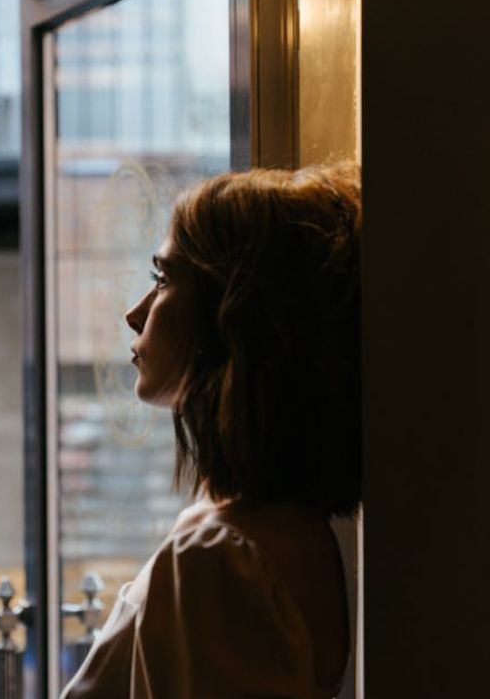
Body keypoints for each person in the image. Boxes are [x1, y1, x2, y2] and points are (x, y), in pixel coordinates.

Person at [62, 163, 363, 699]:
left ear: (233, 315)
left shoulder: (220, 558)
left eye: (162, 279)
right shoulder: (288, 532)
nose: (136, 314)